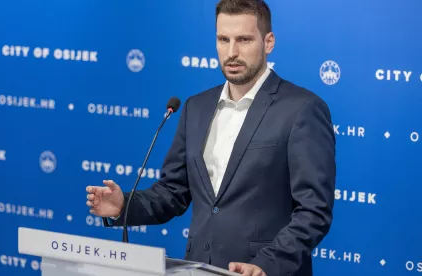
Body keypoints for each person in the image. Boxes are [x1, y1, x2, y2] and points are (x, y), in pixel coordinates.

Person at [86, 0, 336, 275]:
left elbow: (313, 212)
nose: (232, 52)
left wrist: (266, 264)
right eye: (222, 39)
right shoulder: (196, 107)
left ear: (268, 42)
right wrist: (124, 205)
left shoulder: (302, 109)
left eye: (243, 39)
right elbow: (173, 192)